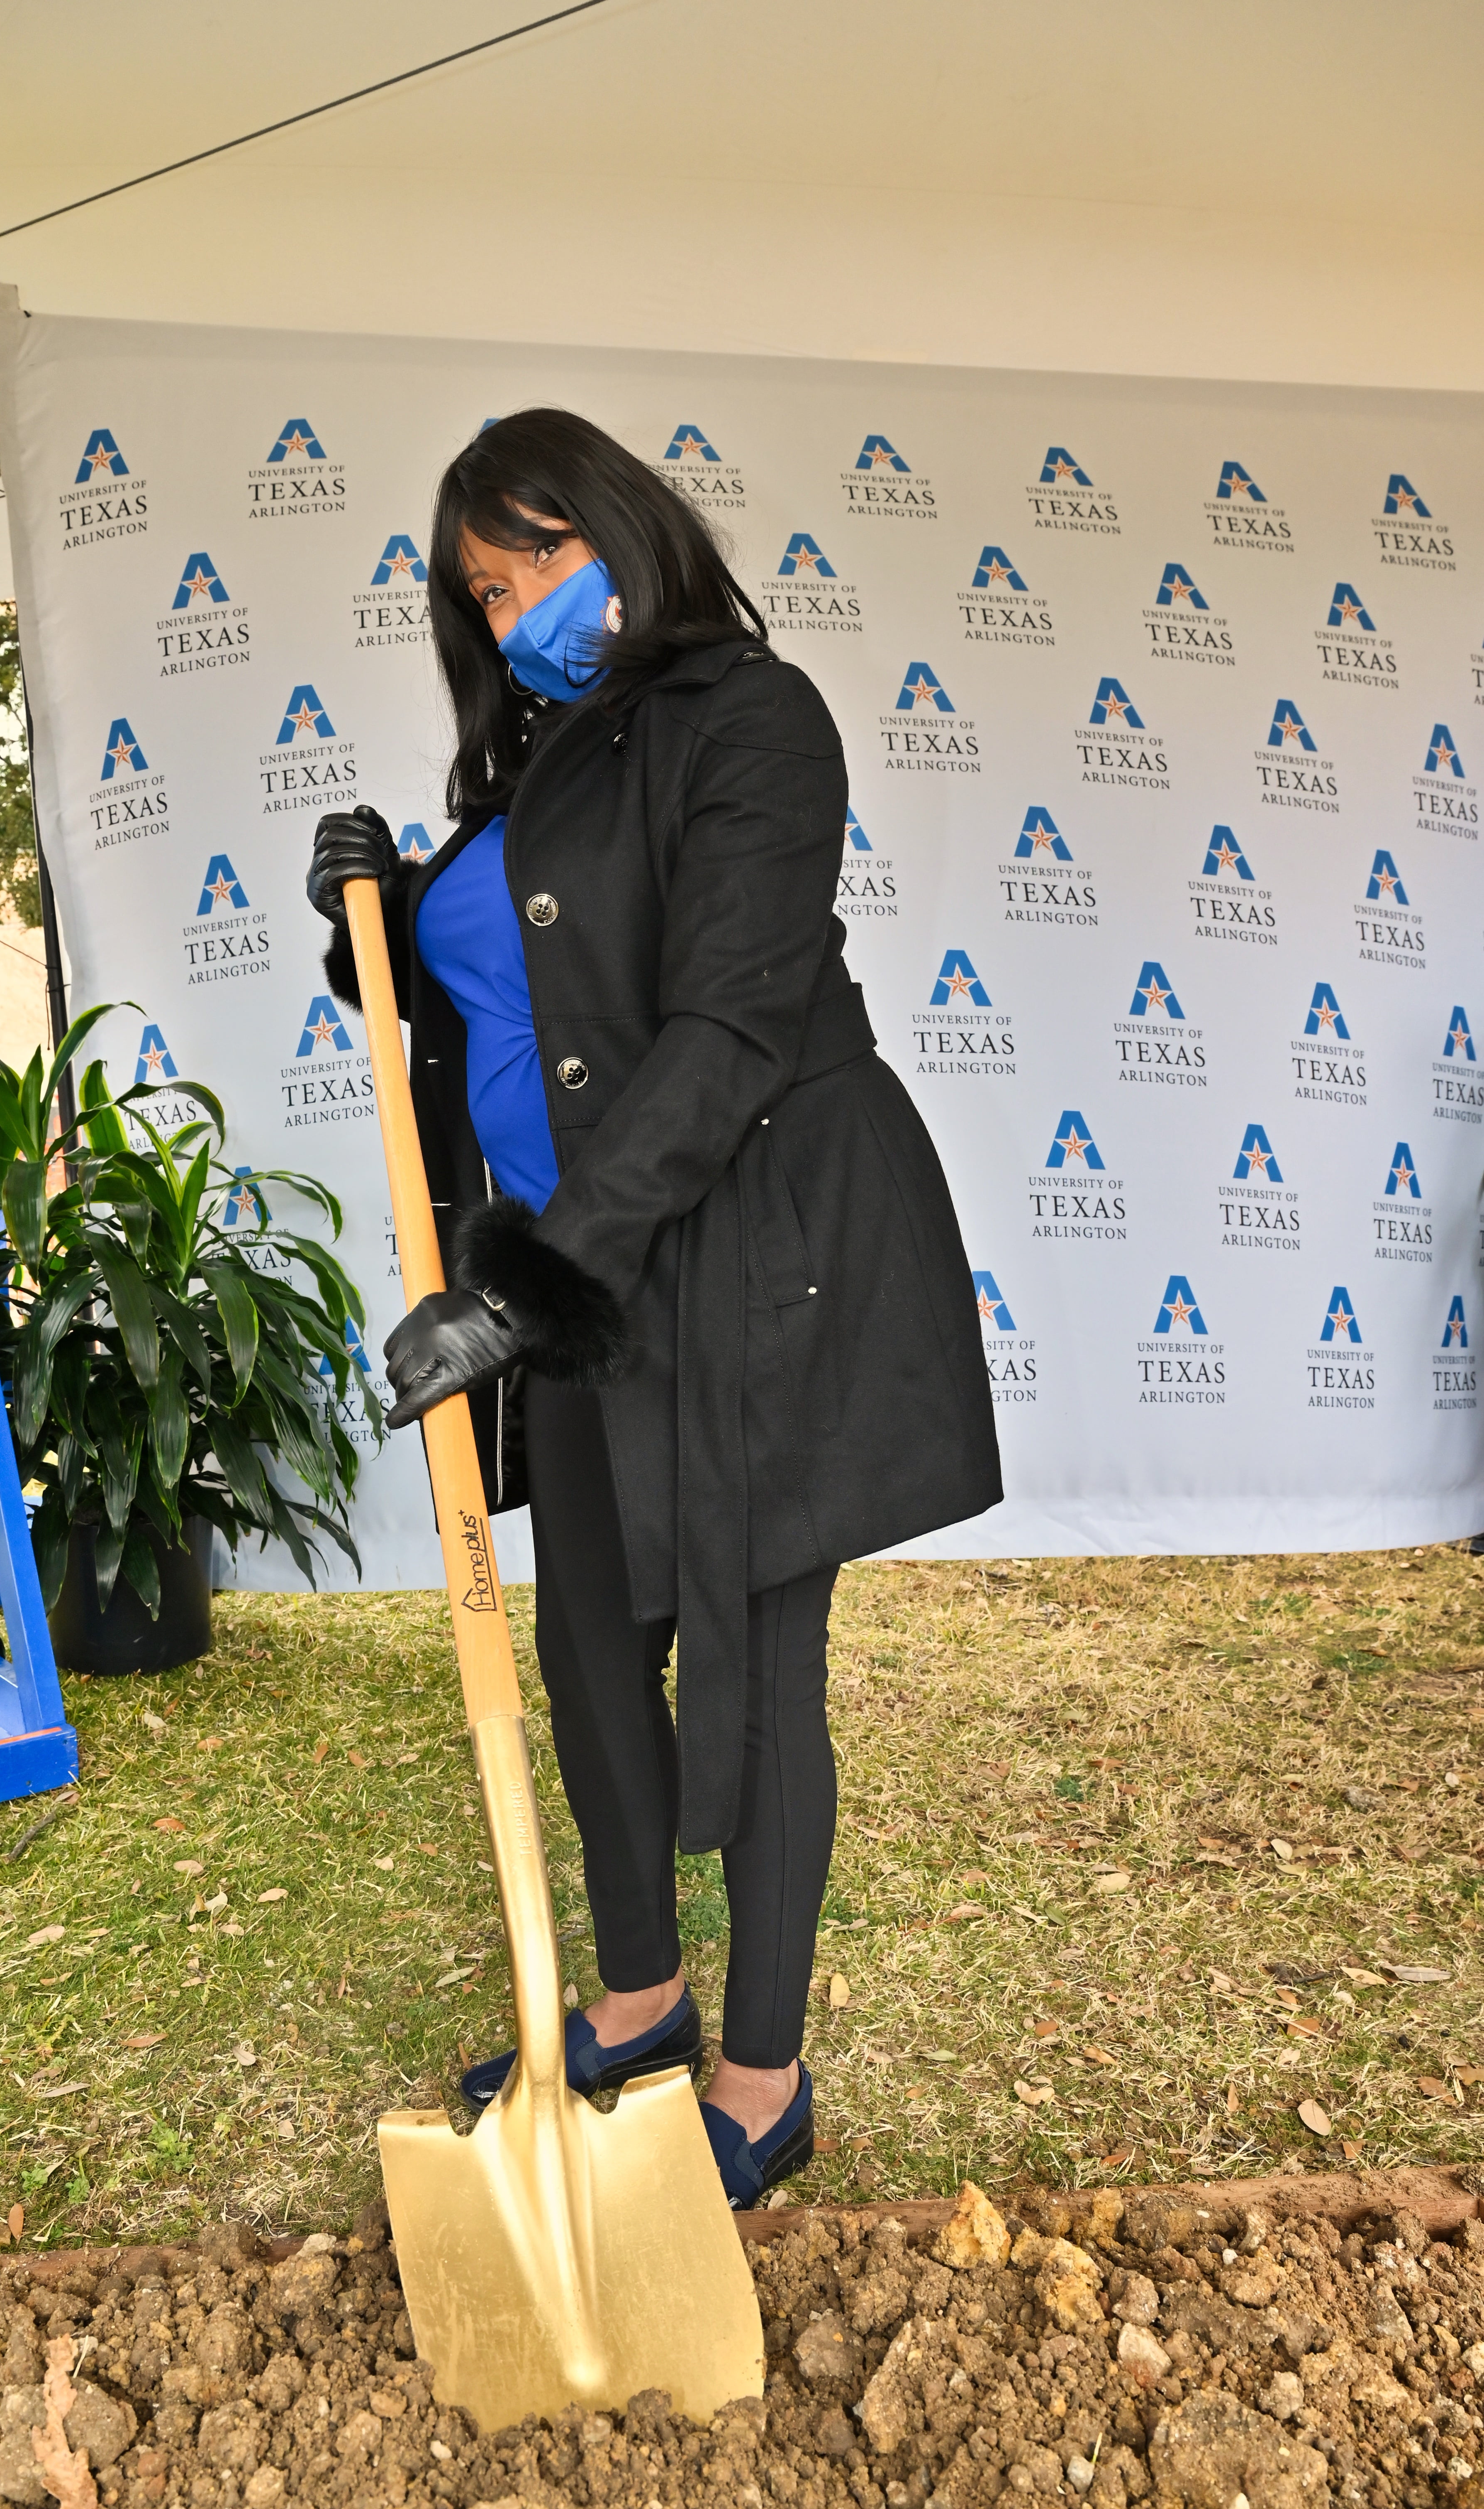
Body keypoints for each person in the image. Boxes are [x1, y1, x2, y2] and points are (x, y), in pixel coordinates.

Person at [305, 407, 1001, 2209]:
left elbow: (726, 1028)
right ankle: (639, 1999)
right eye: (482, 585)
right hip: (588, 1278)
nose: (516, 598)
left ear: (622, 528)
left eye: (537, 553)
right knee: (596, 1654)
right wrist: (368, 928)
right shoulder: (532, 765)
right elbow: (489, 1015)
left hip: (759, 1247)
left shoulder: (748, 721)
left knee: (755, 1679)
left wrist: (518, 1291)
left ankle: (761, 2084)